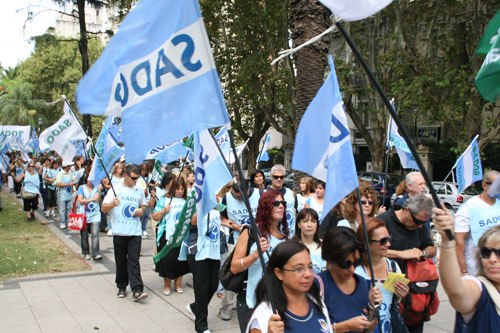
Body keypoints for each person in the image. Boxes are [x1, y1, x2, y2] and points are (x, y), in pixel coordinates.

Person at [433, 204, 500, 331]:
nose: (492, 259)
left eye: (499, 253)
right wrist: (447, 241)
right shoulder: (479, 289)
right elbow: (456, 291)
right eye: (486, 253)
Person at [231, 189, 289, 332]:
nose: (281, 206)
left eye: (283, 203)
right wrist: (256, 254)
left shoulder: (286, 238)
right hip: (251, 302)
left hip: (278, 303)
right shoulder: (251, 232)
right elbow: (234, 267)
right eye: (276, 203)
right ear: (266, 206)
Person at [377, 194, 436, 332]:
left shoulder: (420, 227)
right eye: (417, 221)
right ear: (406, 210)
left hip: (413, 290)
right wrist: (401, 254)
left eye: (423, 223)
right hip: (387, 286)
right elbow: (369, 248)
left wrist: (423, 253)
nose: (419, 226)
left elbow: (432, 248)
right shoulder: (383, 221)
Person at [246, 240, 333, 333]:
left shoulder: (317, 304)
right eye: (298, 269)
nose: (308, 274)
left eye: (310, 267)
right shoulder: (265, 314)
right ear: (279, 273)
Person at [316, 227, 381, 332]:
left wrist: (373, 308)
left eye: (355, 262)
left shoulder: (365, 285)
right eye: (345, 264)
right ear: (330, 259)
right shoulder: (318, 285)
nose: (351, 269)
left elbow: (369, 329)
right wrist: (344, 327)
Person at [101, 164, 147, 302]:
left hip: (135, 231)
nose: (135, 181)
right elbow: (103, 208)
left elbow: (143, 205)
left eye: (137, 178)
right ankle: (121, 286)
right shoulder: (116, 189)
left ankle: (137, 289)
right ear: (125, 176)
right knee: (120, 260)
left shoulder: (139, 190)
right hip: (119, 231)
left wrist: (141, 211)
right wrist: (113, 205)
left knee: (134, 261)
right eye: (133, 178)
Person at [355, 218, 409, 332]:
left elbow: (395, 302)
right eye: (382, 241)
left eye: (389, 239)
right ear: (366, 243)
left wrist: (400, 294)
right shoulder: (355, 271)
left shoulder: (393, 267)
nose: (388, 244)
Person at [218, 180, 261, 321]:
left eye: (241, 197)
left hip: (257, 242)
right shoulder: (228, 197)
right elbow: (222, 217)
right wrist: (234, 225)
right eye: (236, 197)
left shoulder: (259, 195)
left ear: (248, 190)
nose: (238, 199)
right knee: (233, 274)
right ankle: (226, 306)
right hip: (236, 241)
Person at [183, 208, 223, 333]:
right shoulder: (196, 204)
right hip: (197, 252)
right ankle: (201, 325)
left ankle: (196, 307)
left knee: (213, 284)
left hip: (213, 251)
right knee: (202, 287)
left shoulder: (216, 208)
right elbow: (192, 221)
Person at [455, 170, 500, 276]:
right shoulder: (468, 208)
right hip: (476, 269)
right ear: (485, 185)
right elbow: (459, 241)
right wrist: (463, 270)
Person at [152, 176, 189, 296]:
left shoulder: (186, 201)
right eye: (177, 189)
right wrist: (163, 211)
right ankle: (167, 285)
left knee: (180, 261)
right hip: (168, 236)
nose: (180, 191)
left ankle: (178, 285)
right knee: (168, 261)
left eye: (182, 189)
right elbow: (155, 216)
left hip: (182, 237)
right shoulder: (165, 200)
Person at [77, 171, 102, 261]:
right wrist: (91, 199)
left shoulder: (96, 188)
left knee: (95, 234)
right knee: (84, 235)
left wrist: (98, 191)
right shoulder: (81, 188)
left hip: (95, 214)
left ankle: (96, 253)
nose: (91, 182)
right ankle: (85, 252)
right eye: (89, 180)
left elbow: (97, 199)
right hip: (83, 215)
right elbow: (80, 200)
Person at [267, 164, 297, 237]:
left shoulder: (291, 193)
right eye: (276, 177)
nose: (279, 179)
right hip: (272, 236)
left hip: (290, 236)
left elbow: (294, 211)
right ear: (271, 177)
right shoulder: (264, 194)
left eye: (281, 177)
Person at [293, 208, 326, 273]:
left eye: (313, 221)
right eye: (305, 221)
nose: (309, 225)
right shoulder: (292, 246)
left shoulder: (325, 245)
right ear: (299, 224)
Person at [56, 161, 75, 229]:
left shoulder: (70, 172)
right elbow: (58, 184)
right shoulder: (60, 174)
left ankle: (69, 221)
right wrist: (67, 184)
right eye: (69, 166)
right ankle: (62, 222)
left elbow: (73, 180)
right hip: (62, 193)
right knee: (62, 209)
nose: (70, 167)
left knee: (69, 208)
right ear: (66, 166)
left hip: (69, 193)